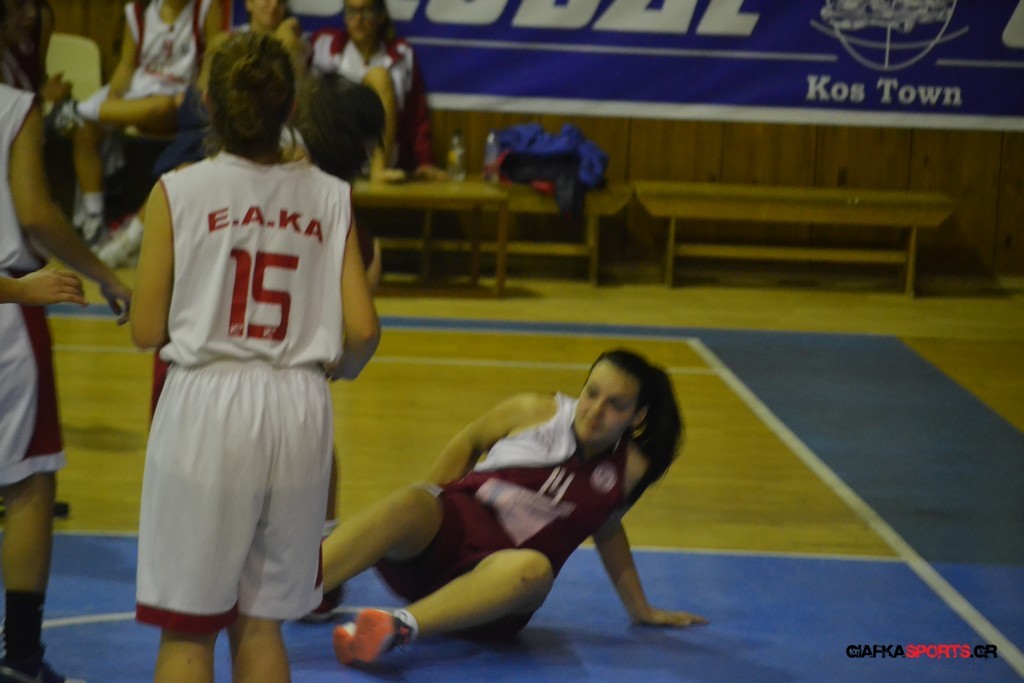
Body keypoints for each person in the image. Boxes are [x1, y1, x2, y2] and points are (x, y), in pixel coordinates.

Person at [130, 32, 379, 682]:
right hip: (298, 408)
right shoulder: (331, 195)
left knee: (188, 629)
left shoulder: (177, 190)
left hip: (209, 406)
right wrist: (336, 368)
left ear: (208, 103)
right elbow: (363, 330)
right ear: (290, 105)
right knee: (261, 622)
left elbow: (146, 328)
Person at [316, 348, 709, 668]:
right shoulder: (535, 411)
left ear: (637, 416)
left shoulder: (630, 469)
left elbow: (607, 528)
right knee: (411, 501)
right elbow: (470, 440)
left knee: (536, 571)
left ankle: (396, 628)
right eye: (592, 393)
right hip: (437, 554)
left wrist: (640, 609)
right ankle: (302, 587)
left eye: (615, 405)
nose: (595, 410)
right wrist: (428, 506)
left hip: (493, 598)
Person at [0, 61, 132, 683]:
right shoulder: (13, 106)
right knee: (28, 482)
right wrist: (105, 274)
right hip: (9, 300)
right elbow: (35, 214)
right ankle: (23, 656)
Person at [95, 0, 310, 269]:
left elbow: (291, 94)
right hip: (229, 125)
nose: (273, 6)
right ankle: (132, 242)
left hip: (275, 128)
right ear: (249, 4)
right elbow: (203, 95)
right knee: (183, 168)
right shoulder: (225, 41)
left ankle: (133, 240)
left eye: (279, 1)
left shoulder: (292, 39)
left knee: (297, 159)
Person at [52, 0, 223, 244]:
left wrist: (195, 99)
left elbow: (210, 61)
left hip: (176, 100)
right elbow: (127, 65)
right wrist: (114, 98)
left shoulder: (206, 8)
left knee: (160, 107)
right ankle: (94, 218)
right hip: (137, 92)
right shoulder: (137, 10)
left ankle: (75, 108)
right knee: (86, 131)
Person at [309, 0, 445, 182]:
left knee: (379, 77)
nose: (358, 20)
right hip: (336, 158)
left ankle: (378, 167)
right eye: (351, 12)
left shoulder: (401, 55)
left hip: (385, 163)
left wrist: (425, 162)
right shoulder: (324, 46)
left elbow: (417, 118)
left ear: (380, 16)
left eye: (366, 12)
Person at [0, 0, 71, 102]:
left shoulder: (41, 18)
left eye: (35, 3)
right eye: (19, 4)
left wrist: (47, 92)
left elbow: (37, 82)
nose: (32, 14)